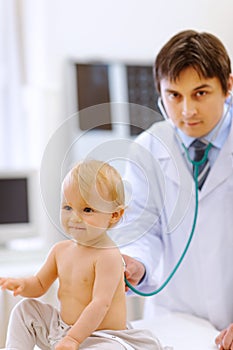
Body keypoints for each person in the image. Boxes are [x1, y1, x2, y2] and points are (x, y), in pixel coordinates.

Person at [120, 30, 233, 350]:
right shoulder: (148, 149)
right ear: (159, 93)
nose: (187, 111)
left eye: (200, 93)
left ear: (228, 86)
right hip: (175, 323)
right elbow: (142, 229)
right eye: (174, 95)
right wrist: (136, 264)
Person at [0, 159, 164, 350]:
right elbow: (39, 284)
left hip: (102, 336)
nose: (74, 217)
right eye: (68, 207)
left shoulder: (108, 256)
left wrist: (74, 339)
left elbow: (100, 304)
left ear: (114, 215)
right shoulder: (60, 250)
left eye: (87, 210)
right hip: (61, 330)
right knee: (24, 309)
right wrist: (23, 284)